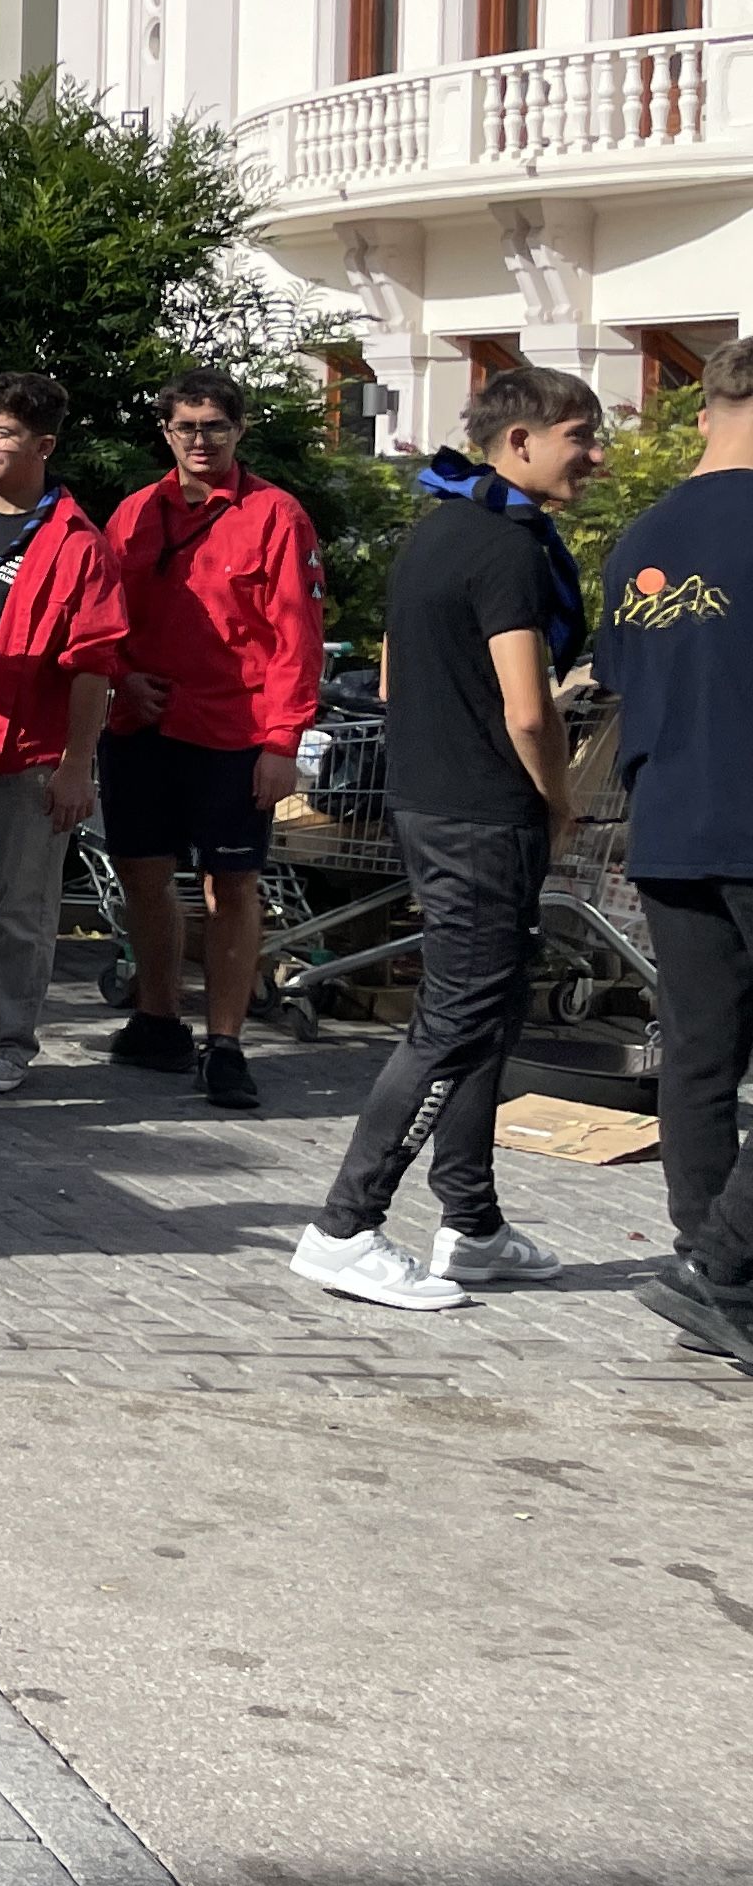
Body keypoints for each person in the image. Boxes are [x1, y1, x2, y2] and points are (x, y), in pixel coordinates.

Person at [289, 370, 603, 1310]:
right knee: (459, 1018)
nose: (594, 456)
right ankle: (344, 1228)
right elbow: (527, 708)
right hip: (481, 813)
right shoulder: (505, 548)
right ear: (520, 442)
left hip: (434, 802)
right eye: (580, 436)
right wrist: (557, 799)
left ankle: (471, 1223)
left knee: (491, 1012)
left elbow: (390, 676)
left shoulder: (435, 533)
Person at [99, 369, 326, 1112]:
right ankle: (158, 1017)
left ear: (240, 430)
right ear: (166, 433)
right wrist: (124, 679)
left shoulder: (277, 516)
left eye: (214, 427)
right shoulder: (133, 514)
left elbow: (297, 635)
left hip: (233, 730)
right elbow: (102, 619)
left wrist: (282, 742)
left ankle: (224, 1044)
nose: (201, 440)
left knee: (231, 885)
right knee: (140, 871)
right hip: (142, 725)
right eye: (187, 427)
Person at [600, 339, 753, 1368]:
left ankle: (709, 1259)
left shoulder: (637, 542)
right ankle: (724, 1268)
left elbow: (622, 681)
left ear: (704, 411)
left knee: (699, 1057)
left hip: (668, 824)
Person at [0, 374, 131, 1097]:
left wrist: (77, 766)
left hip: (30, 753)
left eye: (0, 432)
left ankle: (9, 1044)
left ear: (43, 444)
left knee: (22, 915)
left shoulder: (79, 543)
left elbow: (94, 667)